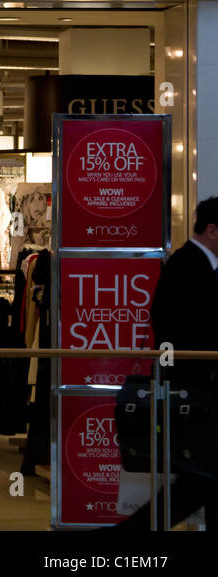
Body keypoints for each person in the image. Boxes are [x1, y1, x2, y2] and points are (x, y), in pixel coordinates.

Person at [115, 197, 218, 530]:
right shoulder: (189, 267)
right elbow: (180, 332)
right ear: (213, 231)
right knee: (200, 480)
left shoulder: (193, 266)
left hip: (196, 392)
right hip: (194, 393)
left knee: (201, 480)